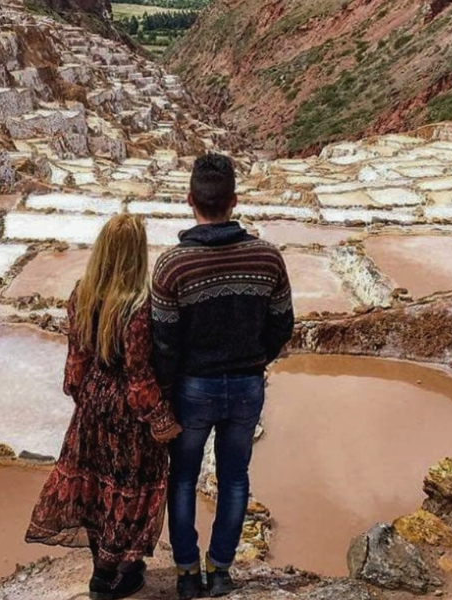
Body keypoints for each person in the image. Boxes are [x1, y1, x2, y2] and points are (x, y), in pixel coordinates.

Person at [152, 153, 295, 599]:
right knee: (234, 478)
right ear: (234, 201)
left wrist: (169, 391)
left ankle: (186, 574)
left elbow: (163, 343)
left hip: (194, 388)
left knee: (183, 478)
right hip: (247, 386)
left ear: (190, 199)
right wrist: (256, 361)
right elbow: (282, 325)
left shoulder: (173, 266)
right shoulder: (267, 258)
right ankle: (221, 571)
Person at [26, 213, 184, 600]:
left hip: (93, 406)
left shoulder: (82, 294)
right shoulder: (138, 306)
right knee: (130, 489)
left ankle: (102, 572)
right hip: (127, 417)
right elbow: (138, 377)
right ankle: (120, 573)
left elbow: (76, 362)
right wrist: (162, 421)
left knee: (95, 486)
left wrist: (85, 398)